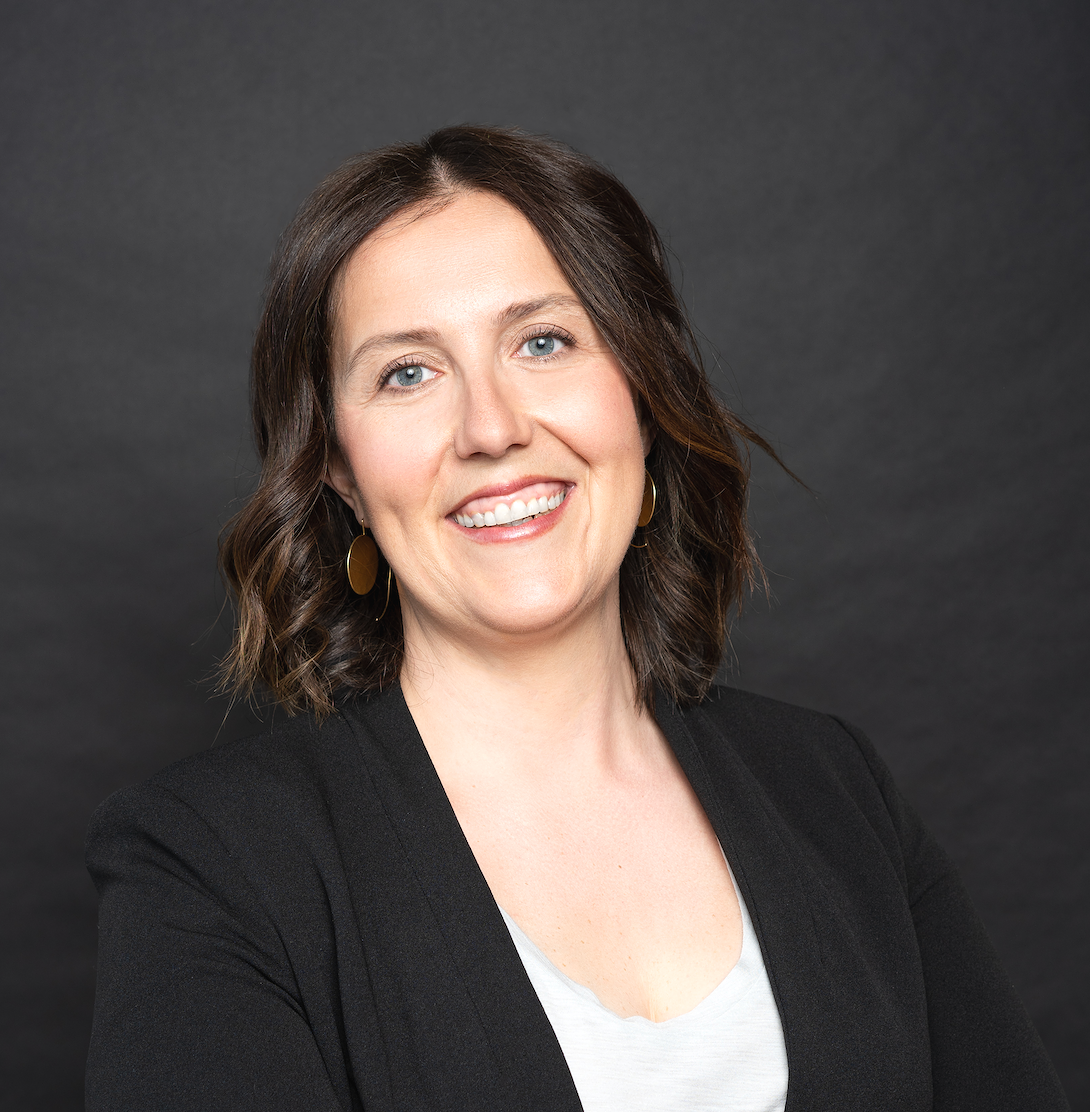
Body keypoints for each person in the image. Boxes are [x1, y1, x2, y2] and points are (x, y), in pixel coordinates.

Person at [85, 126, 1068, 1112]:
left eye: (543, 342)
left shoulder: (834, 784)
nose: (492, 427)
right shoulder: (211, 864)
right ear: (338, 469)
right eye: (407, 373)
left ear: (640, 391)